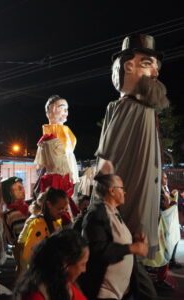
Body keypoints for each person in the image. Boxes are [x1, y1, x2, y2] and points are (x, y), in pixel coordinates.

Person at [94, 33, 169, 259]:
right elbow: (106, 165)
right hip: (127, 220)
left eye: (155, 67)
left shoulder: (144, 109)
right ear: (128, 66)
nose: (155, 73)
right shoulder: (128, 107)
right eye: (147, 65)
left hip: (135, 222)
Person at [80, 174, 150, 300]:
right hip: (105, 293)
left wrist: (134, 239)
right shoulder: (96, 214)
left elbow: (113, 239)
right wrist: (131, 248)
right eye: (122, 188)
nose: (124, 192)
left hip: (121, 292)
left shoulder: (115, 212)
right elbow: (97, 250)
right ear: (112, 191)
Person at [14, 229, 89, 300]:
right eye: (83, 264)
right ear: (65, 262)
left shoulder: (67, 284)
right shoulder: (36, 295)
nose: (84, 270)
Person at [34, 95, 79, 199]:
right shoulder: (49, 136)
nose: (65, 112)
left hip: (67, 178)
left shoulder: (67, 131)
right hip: (57, 179)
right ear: (50, 110)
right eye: (61, 108)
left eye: (66, 109)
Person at [18, 187, 69, 268]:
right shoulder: (38, 224)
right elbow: (29, 255)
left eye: (65, 209)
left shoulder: (57, 222)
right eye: (60, 208)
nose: (63, 212)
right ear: (49, 205)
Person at [2, 176, 29, 273]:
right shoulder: (12, 214)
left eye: (22, 187)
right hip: (22, 251)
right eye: (19, 189)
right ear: (9, 193)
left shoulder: (29, 208)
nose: (23, 191)